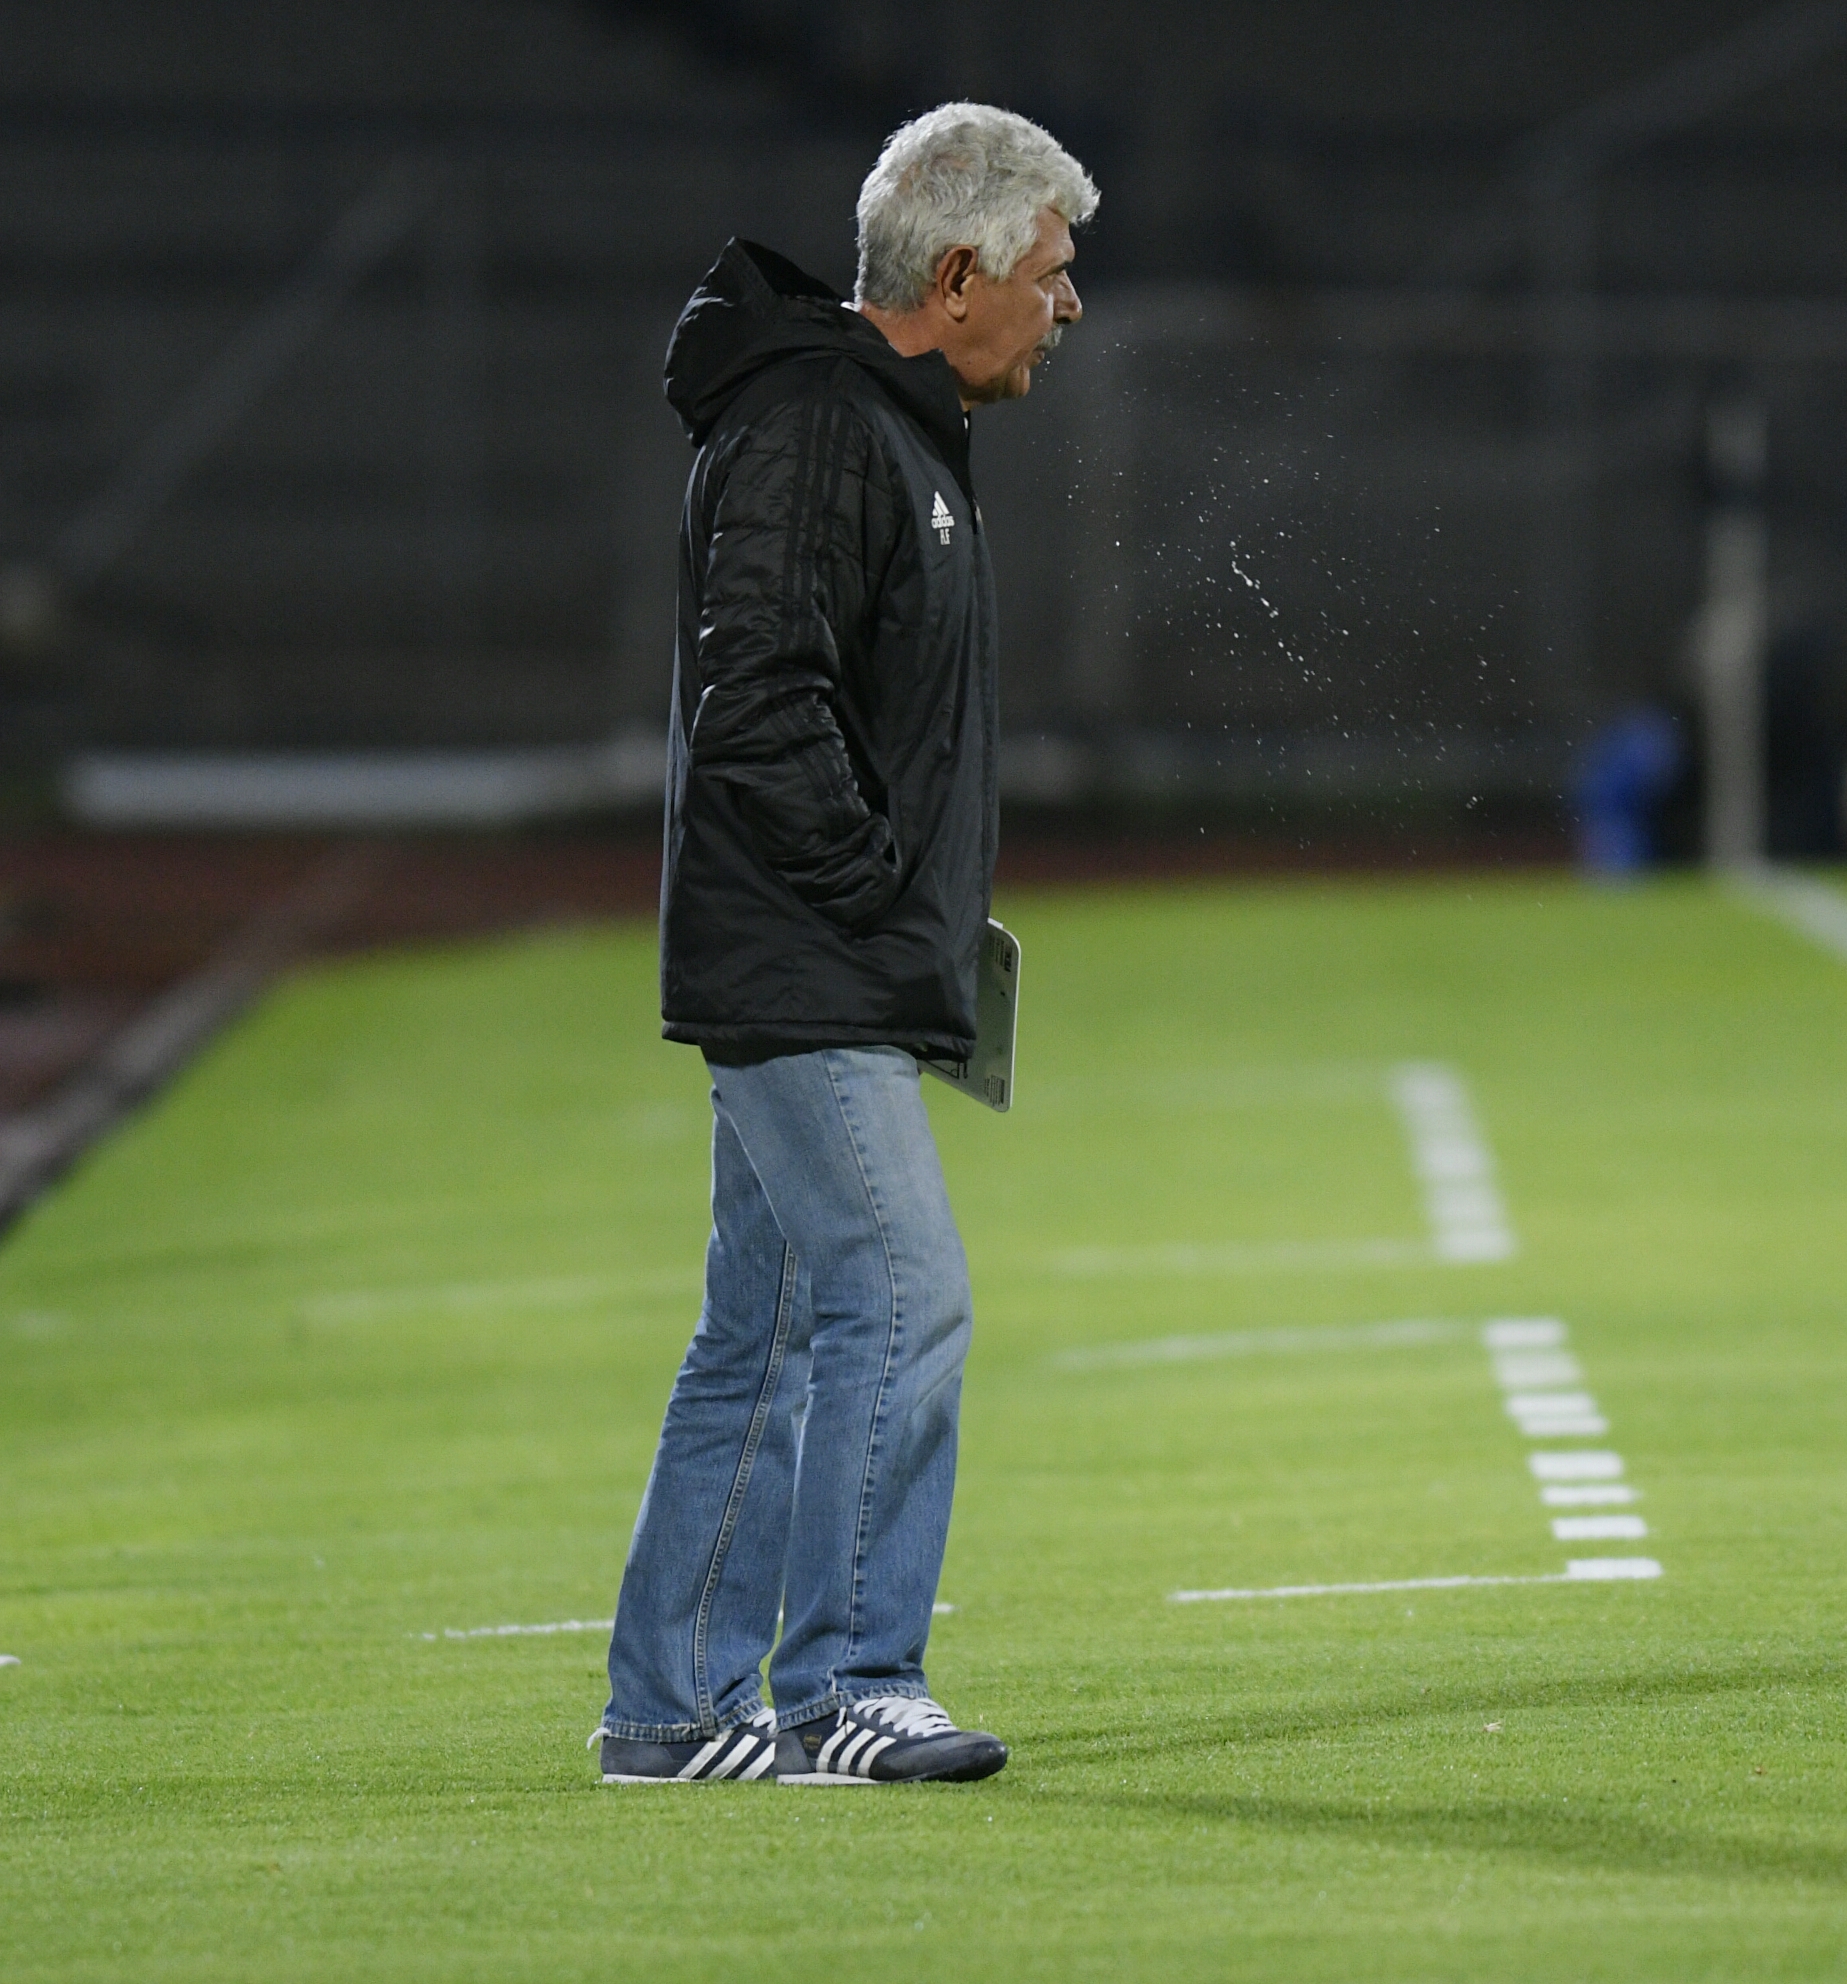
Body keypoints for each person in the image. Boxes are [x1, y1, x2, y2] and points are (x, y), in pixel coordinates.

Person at [592, 105, 1093, 1786]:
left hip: (810, 951)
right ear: (956, 277)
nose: (1066, 303)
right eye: (1048, 267)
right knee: (901, 1293)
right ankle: (844, 1691)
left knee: (772, 1329)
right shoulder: (820, 422)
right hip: (805, 958)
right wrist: (879, 894)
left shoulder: (868, 421)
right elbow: (761, 701)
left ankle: (671, 1711)